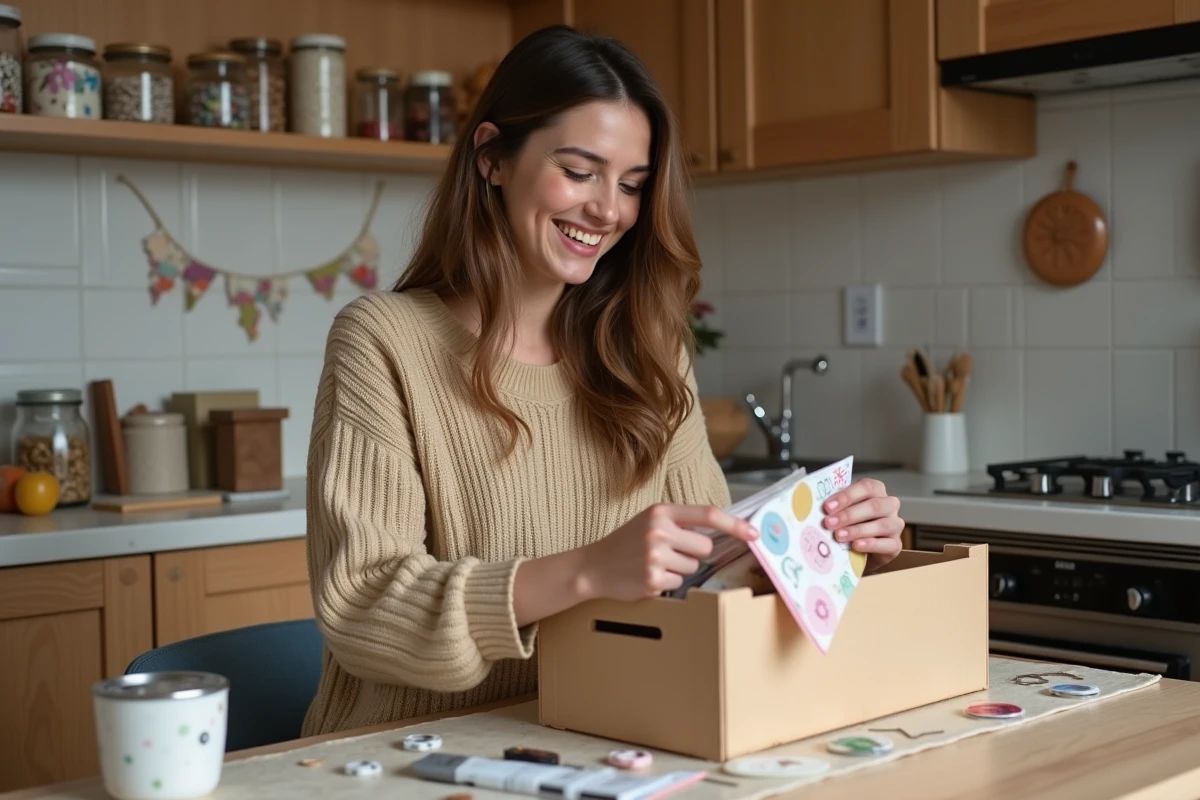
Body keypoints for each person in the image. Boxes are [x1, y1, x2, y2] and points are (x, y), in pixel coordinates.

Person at [301, 24, 905, 737]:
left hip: (599, 737)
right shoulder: (383, 341)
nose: (608, 210)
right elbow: (364, 606)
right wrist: (588, 571)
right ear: (492, 156)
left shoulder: (646, 350)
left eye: (631, 185)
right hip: (409, 753)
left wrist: (826, 541)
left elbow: (711, 573)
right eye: (580, 171)